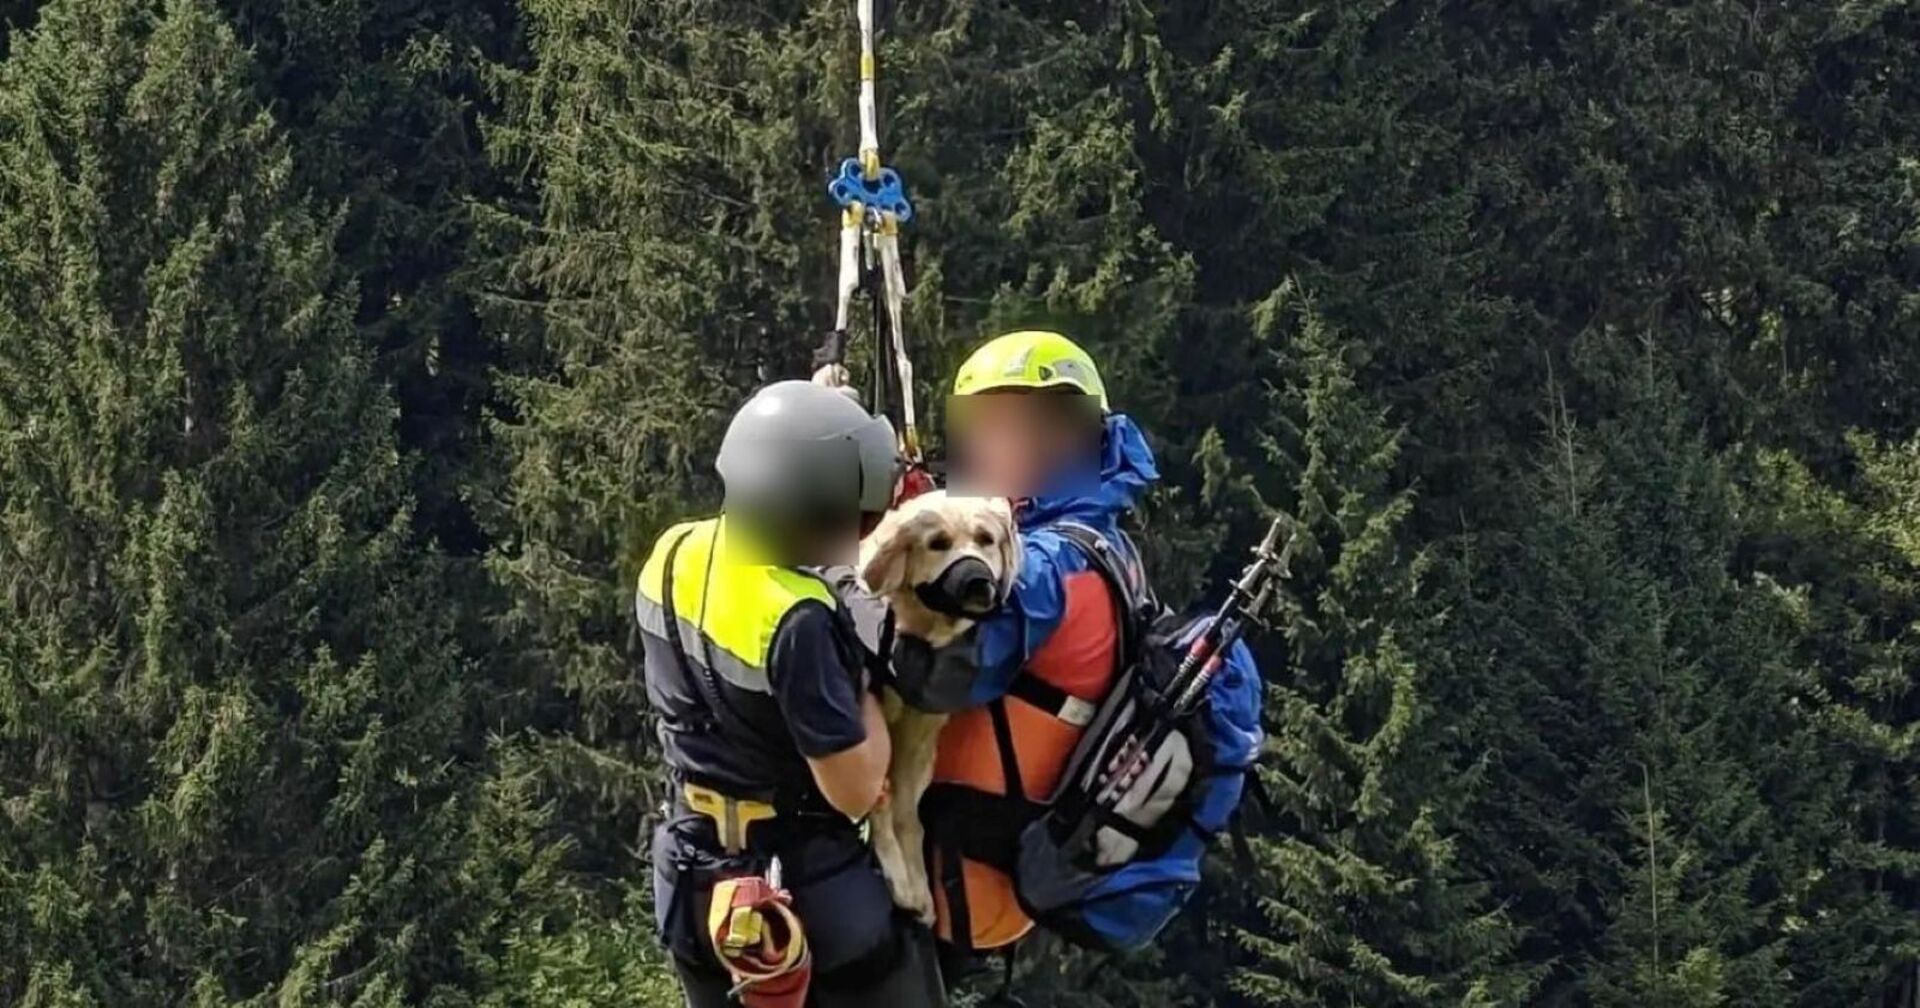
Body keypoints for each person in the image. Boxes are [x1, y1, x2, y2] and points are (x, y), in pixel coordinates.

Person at [636, 380, 948, 1008]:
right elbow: (855, 788)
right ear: (820, 513)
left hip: (691, 880)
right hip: (804, 891)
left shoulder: (674, 552)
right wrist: (863, 681)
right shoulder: (800, 619)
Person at [888, 330, 1162, 974]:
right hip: (970, 875)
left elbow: (928, 672)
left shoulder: (1048, 565)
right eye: (986, 427)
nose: (1003, 448)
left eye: (1029, 429)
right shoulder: (1095, 537)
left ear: (1076, 439)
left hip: (944, 882)